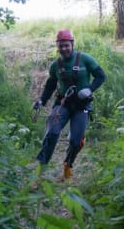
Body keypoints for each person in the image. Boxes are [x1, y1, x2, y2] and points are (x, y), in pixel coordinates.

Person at [33, 29, 106, 179]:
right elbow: (50, 85)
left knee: (75, 140)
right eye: (60, 46)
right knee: (51, 132)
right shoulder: (55, 66)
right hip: (62, 104)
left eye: (66, 45)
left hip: (82, 105)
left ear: (72, 44)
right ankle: (40, 170)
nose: (64, 48)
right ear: (57, 46)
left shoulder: (85, 59)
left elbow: (100, 76)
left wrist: (89, 89)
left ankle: (68, 164)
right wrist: (42, 100)